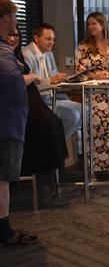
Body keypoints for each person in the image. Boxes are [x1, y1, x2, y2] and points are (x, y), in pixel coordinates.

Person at [0, 0, 38, 246]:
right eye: (14, 15)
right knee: (2, 181)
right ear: (4, 18)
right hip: (6, 124)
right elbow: (13, 85)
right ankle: (4, 232)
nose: (16, 21)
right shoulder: (3, 54)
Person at [7, 28, 67, 178]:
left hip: (35, 99)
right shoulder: (22, 55)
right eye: (9, 35)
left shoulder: (17, 54)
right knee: (52, 124)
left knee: (57, 123)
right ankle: (46, 167)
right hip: (24, 103)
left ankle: (51, 165)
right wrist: (34, 76)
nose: (13, 38)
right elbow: (17, 81)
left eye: (16, 35)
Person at [75, 12, 109, 173]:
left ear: (102, 24)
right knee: (94, 130)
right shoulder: (84, 46)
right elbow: (79, 70)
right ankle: (93, 168)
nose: (91, 27)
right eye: (89, 24)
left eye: (94, 23)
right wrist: (94, 74)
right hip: (93, 95)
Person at [22, 23, 82, 139]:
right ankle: (52, 148)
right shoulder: (26, 54)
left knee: (86, 111)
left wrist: (61, 78)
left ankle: (53, 147)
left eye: (53, 40)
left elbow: (54, 76)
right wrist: (51, 80)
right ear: (36, 38)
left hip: (53, 97)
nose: (52, 43)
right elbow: (29, 86)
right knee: (73, 116)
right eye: (48, 39)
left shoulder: (49, 54)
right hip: (37, 101)